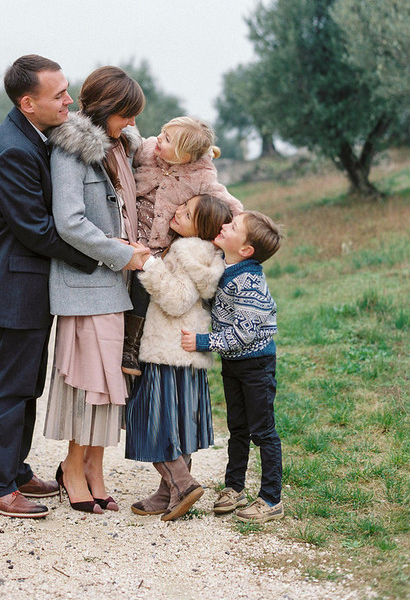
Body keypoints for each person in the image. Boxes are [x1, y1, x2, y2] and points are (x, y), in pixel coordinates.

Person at [0, 54, 97, 519]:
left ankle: (14, 471)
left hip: (23, 283)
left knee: (26, 384)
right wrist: (99, 258)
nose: (69, 101)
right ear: (28, 103)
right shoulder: (13, 151)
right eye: (58, 95)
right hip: (12, 285)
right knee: (8, 387)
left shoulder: (32, 135)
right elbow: (37, 231)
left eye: (67, 90)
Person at [43, 65, 149, 514]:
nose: (132, 122)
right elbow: (69, 222)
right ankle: (72, 467)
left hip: (119, 284)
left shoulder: (122, 146)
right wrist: (121, 253)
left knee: (111, 382)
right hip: (87, 284)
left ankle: (95, 467)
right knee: (89, 381)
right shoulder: (70, 149)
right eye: (127, 114)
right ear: (106, 108)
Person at [126, 194, 232, 521]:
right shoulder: (205, 253)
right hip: (184, 353)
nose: (177, 212)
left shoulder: (186, 251)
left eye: (187, 214)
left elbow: (176, 299)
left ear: (201, 228)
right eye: (183, 207)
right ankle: (167, 492)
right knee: (179, 424)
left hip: (166, 351)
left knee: (151, 420)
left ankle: (183, 484)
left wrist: (149, 265)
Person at [180, 210, 284, 523]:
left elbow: (243, 333)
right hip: (235, 363)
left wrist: (203, 342)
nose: (224, 226)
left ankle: (271, 499)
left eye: (233, 226)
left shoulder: (249, 281)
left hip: (256, 365)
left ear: (246, 249)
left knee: (263, 431)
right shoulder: (227, 268)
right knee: (237, 427)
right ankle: (234, 487)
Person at [122, 116, 243, 376]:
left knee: (141, 292)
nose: (159, 139)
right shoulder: (149, 150)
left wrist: (237, 232)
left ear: (184, 156)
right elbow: (131, 146)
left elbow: (227, 202)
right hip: (132, 230)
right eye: (162, 131)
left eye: (167, 139)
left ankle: (130, 347)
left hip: (157, 246)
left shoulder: (200, 175)